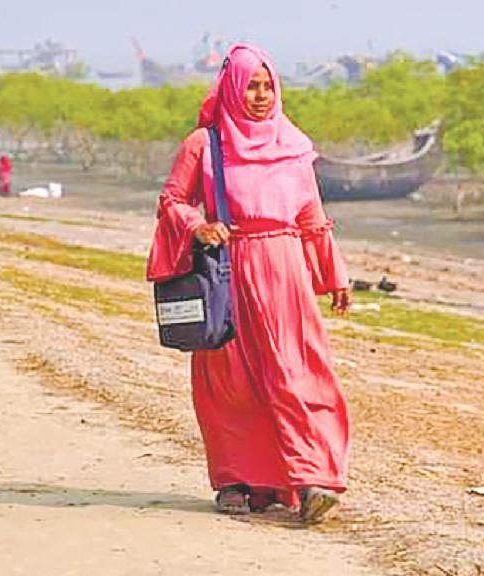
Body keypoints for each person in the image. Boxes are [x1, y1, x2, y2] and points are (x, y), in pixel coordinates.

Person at [146, 44, 352, 524]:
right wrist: (198, 226)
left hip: (285, 273)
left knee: (300, 371)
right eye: (250, 86)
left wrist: (333, 274)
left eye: (267, 86)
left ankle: (313, 478)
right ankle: (237, 479)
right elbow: (173, 199)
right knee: (231, 381)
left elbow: (311, 217)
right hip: (227, 272)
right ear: (231, 88)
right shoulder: (205, 143)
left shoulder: (294, 145)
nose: (260, 96)